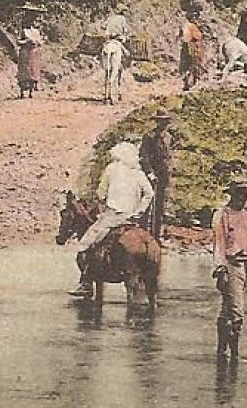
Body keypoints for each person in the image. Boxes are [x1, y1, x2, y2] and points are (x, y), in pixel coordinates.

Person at [70, 141, 155, 296]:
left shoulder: (111, 169)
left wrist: (102, 202)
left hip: (113, 214)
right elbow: (150, 194)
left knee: (85, 243)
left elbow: (101, 193)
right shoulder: (138, 172)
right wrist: (139, 210)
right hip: (132, 218)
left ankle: (86, 283)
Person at [212, 178, 247, 359]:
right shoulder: (223, 215)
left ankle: (222, 351)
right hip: (230, 265)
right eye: (239, 194)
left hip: (245, 267)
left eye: (245, 194)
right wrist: (221, 268)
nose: (242, 198)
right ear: (231, 195)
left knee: (227, 309)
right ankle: (233, 353)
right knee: (236, 311)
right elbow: (219, 243)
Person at [139, 112, 174, 240]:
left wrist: (169, 170)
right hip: (151, 176)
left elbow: (167, 156)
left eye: (166, 122)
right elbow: (144, 157)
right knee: (148, 206)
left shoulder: (168, 137)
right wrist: (150, 173)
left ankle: (156, 237)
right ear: (157, 122)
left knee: (159, 208)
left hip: (163, 176)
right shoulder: (149, 137)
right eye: (161, 121)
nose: (164, 125)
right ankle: (143, 234)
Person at [16, 5, 45, 97]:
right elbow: (18, 41)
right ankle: (22, 91)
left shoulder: (36, 31)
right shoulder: (23, 31)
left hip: (34, 53)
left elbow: (40, 42)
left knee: (33, 71)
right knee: (24, 72)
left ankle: (31, 91)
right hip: (25, 52)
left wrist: (37, 42)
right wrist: (27, 41)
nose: (32, 22)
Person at [179, 7, 207, 91]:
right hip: (192, 47)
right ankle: (190, 83)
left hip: (189, 46)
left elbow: (182, 37)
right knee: (193, 65)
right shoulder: (190, 26)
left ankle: (189, 82)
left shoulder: (188, 26)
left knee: (190, 66)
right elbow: (196, 37)